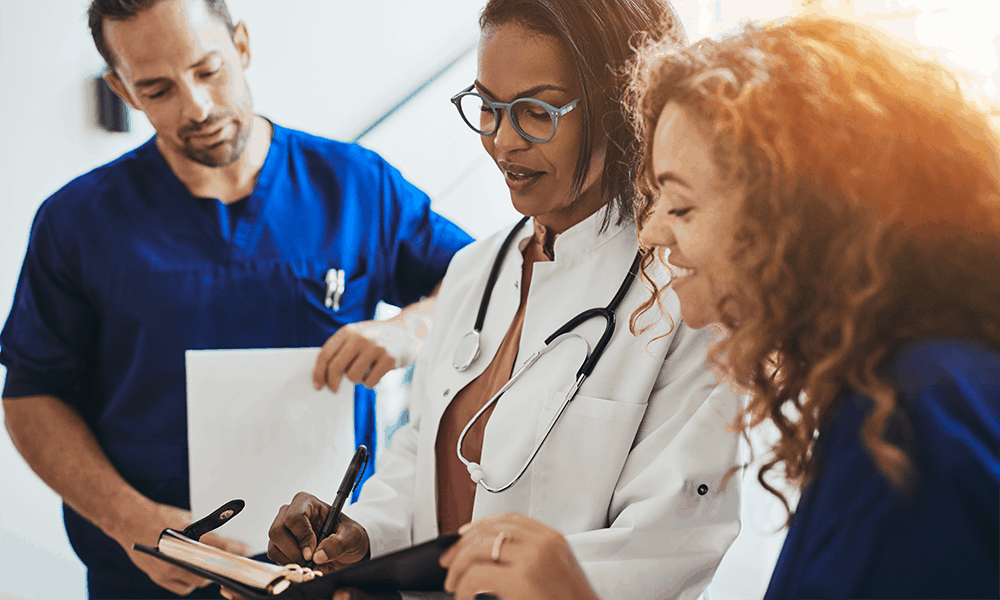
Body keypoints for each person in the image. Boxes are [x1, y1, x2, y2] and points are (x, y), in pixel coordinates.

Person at [432, 14, 1000, 600]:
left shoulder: (916, 420)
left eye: (680, 206)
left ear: (793, 219)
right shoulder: (890, 394)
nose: (651, 233)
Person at [266, 1, 742, 599]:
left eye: (536, 112)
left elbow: (670, 542)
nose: (502, 141)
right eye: (487, 108)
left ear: (621, 105)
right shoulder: (473, 270)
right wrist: (364, 539)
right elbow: (422, 451)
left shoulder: (682, 294)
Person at [0, 0, 472, 598]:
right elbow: (31, 397)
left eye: (208, 70)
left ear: (242, 45)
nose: (195, 106)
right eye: (157, 89)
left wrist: (412, 328)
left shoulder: (354, 185)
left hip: (331, 566)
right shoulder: (77, 224)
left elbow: (481, 282)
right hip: (151, 576)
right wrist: (129, 521)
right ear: (122, 89)